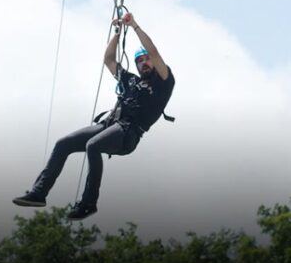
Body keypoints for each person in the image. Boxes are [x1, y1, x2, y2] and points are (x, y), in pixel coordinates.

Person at [13, 12, 175, 220]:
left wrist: (133, 26)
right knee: (63, 144)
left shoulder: (163, 82)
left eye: (147, 60)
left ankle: (88, 203)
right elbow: (108, 60)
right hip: (110, 125)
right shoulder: (131, 81)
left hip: (128, 134)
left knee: (93, 146)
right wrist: (117, 32)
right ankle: (39, 193)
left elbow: (153, 50)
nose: (144, 62)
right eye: (139, 60)